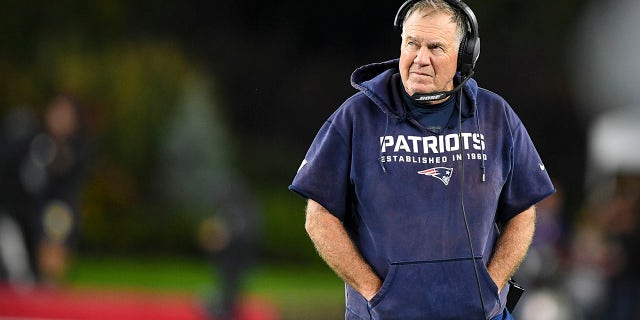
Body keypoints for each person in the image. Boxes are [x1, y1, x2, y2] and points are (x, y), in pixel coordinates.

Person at [288, 1, 555, 319]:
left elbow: (523, 211)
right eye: (411, 44)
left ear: (464, 55)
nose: (420, 59)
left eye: (435, 47)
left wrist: (491, 284)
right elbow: (318, 218)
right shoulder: (356, 117)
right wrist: (374, 293)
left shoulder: (496, 116)